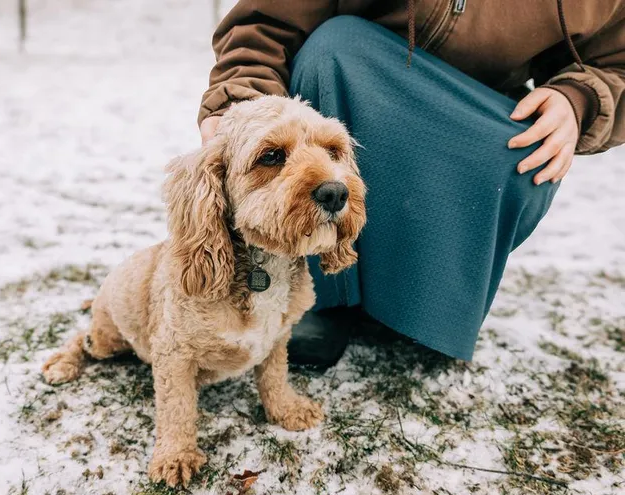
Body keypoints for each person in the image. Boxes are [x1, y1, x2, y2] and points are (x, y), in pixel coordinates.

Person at [198, 1, 625, 366]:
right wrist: (242, 113)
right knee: (333, 49)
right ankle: (319, 296)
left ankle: (424, 302)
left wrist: (579, 98)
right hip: (350, 77)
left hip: (468, 109)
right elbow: (266, 25)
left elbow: (615, 62)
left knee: (531, 145)